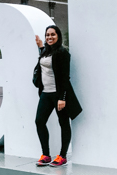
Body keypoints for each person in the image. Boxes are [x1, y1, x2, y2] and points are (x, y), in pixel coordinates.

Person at [33, 25, 82, 167]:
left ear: (58, 36)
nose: (50, 37)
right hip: (45, 94)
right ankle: (46, 155)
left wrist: (62, 97)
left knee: (63, 123)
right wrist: (41, 46)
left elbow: (65, 78)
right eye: (47, 35)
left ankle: (62, 156)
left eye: (53, 34)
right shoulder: (45, 52)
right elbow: (46, 62)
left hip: (58, 95)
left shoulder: (62, 53)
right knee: (39, 121)